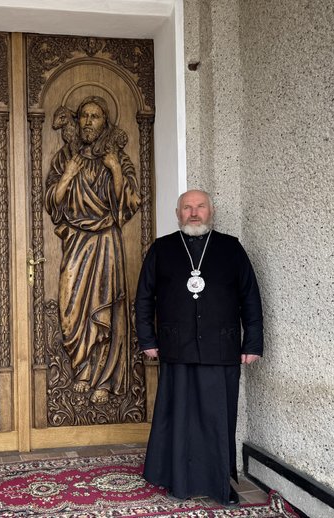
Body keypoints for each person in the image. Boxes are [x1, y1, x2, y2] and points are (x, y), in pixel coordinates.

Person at [134, 189, 263, 505]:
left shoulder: (231, 248)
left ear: (211, 211)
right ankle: (178, 481)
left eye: (200, 206)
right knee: (179, 419)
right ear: (178, 214)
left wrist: (253, 343)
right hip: (176, 346)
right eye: (187, 207)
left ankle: (220, 484)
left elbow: (250, 297)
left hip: (221, 348)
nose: (194, 213)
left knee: (218, 419)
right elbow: (144, 298)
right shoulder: (162, 249)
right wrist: (147, 340)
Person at [45, 96, 141, 404]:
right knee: (70, 308)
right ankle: (81, 367)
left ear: (105, 123)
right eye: (84, 116)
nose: (88, 121)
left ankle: (102, 379)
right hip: (75, 242)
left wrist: (115, 170)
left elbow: (127, 204)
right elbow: (52, 202)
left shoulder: (116, 158)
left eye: (95, 116)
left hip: (105, 242)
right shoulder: (66, 157)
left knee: (105, 307)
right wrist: (68, 175)